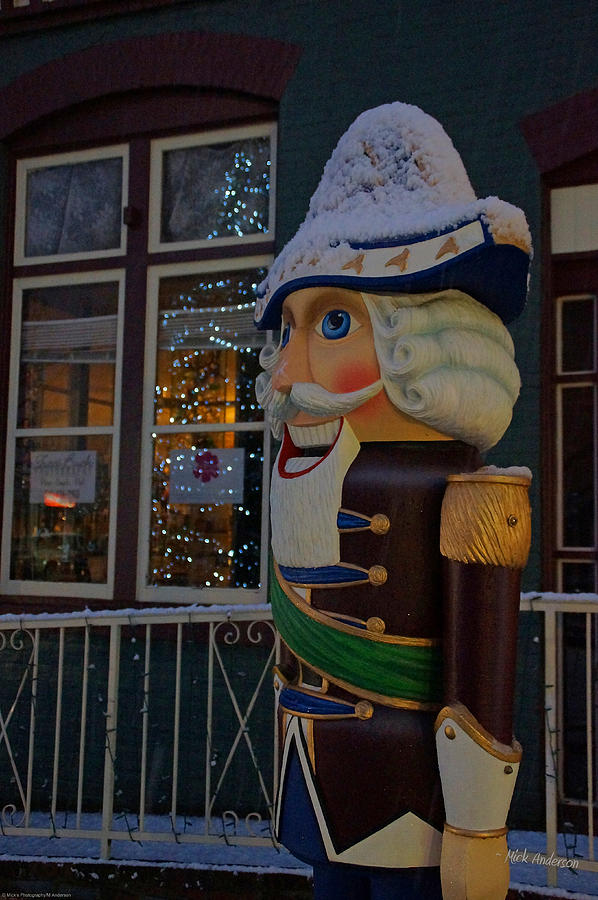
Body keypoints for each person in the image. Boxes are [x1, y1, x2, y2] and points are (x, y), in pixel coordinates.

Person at [254, 102, 532, 900]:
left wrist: (478, 828)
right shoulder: (300, 467)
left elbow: (483, 668)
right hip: (313, 769)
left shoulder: (468, 491)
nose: (285, 373)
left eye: (333, 321)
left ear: (422, 338)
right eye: (292, 330)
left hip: (412, 789)